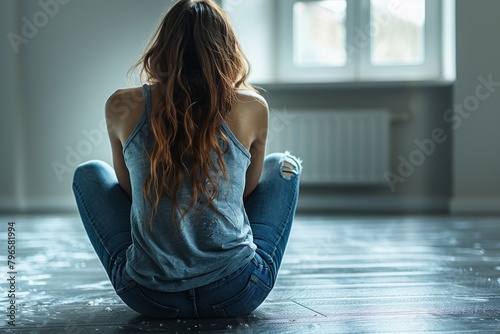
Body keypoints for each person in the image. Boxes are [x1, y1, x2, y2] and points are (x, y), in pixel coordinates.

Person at [72, 0, 302, 318]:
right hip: (238, 291)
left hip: (150, 297)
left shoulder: (121, 104)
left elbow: (128, 190)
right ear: (225, 49)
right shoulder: (252, 106)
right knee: (283, 165)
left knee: (89, 172)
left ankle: (158, 261)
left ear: (163, 48)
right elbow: (246, 193)